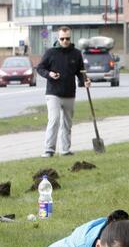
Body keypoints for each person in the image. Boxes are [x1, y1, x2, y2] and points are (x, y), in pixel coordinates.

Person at [36, 26, 90, 157]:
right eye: (62, 39)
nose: (65, 41)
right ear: (58, 38)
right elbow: (40, 68)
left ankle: (65, 150)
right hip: (53, 92)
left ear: (70, 38)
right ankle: (49, 150)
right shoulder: (51, 53)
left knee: (67, 123)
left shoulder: (76, 53)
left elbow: (80, 71)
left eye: (67, 38)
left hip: (69, 93)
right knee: (54, 120)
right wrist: (49, 74)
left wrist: (85, 81)